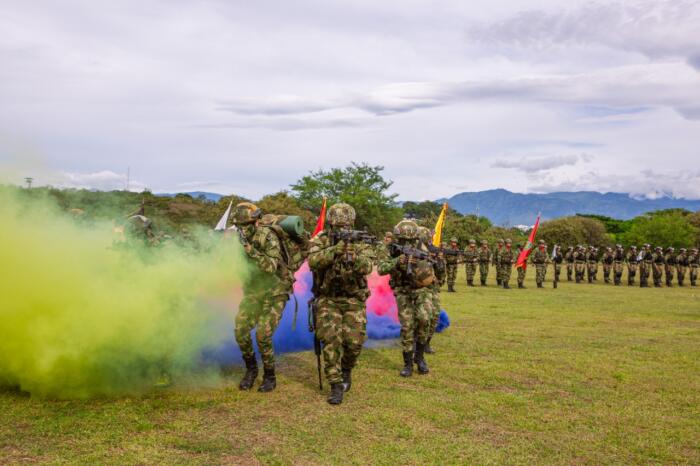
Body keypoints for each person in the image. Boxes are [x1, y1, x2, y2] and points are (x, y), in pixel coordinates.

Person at [307, 203, 373, 405]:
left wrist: (353, 256)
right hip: (328, 299)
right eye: (338, 226)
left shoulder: (360, 240)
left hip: (354, 298)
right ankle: (335, 385)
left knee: (354, 343)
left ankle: (346, 370)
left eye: (345, 225)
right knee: (331, 341)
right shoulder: (322, 239)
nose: (342, 229)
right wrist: (335, 251)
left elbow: (368, 266)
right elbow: (313, 261)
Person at [233, 202, 299, 393]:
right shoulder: (239, 240)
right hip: (254, 291)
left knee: (263, 334)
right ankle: (251, 370)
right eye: (239, 226)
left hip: (275, 291)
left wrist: (250, 251)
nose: (242, 229)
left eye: (245, 225)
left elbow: (270, 267)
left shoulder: (268, 237)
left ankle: (269, 375)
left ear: (254, 223)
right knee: (240, 330)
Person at [378, 219, 433, 377]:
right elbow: (381, 269)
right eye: (403, 240)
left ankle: (420, 357)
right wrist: (398, 260)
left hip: (421, 289)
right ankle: (408, 363)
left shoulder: (421, 247)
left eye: (410, 240)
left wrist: (419, 264)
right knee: (407, 325)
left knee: (424, 319)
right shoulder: (387, 248)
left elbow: (429, 270)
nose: (408, 243)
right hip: (402, 290)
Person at [417, 227, 445, 356]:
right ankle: (415, 343)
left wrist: (439, 261)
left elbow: (440, 274)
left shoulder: (433, 252)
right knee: (420, 317)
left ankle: (426, 342)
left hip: (431, 288)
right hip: (416, 288)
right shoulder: (414, 251)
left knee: (434, 315)